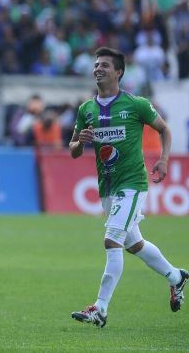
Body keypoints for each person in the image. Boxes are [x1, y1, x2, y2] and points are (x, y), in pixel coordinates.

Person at [69, 47, 186, 328]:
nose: (98, 69)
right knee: (134, 244)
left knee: (112, 241)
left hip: (132, 184)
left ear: (118, 72)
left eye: (105, 65)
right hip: (106, 187)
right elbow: (73, 149)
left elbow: (165, 129)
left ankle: (100, 308)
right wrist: (80, 142)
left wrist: (164, 159)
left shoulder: (136, 105)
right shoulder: (86, 109)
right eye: (96, 65)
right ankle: (176, 277)